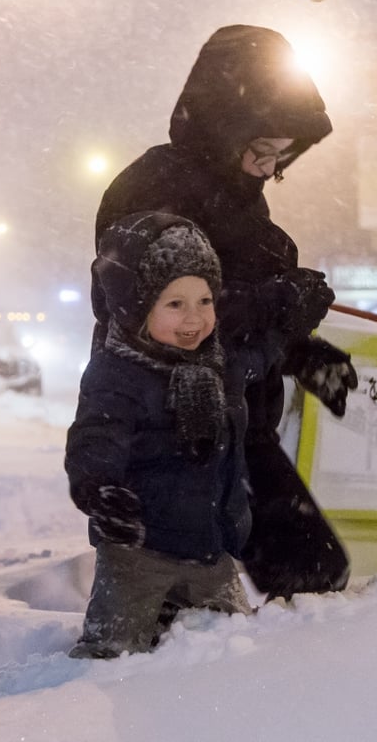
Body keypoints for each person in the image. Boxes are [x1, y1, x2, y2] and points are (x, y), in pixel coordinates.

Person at [92, 25, 355, 601]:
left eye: (281, 158)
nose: (267, 169)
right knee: (295, 576)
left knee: (296, 576)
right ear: (223, 123)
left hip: (231, 419)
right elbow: (152, 307)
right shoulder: (156, 186)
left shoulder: (238, 197)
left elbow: (231, 308)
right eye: (261, 150)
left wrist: (300, 351)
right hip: (174, 425)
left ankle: (240, 677)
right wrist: (279, 301)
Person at [66, 213, 254, 659]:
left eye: (205, 300)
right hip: (138, 552)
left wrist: (295, 326)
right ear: (136, 307)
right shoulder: (117, 375)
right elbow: (94, 440)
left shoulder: (216, 363)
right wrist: (100, 492)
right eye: (174, 305)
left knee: (236, 647)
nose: (195, 319)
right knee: (114, 652)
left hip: (210, 546)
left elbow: (262, 354)